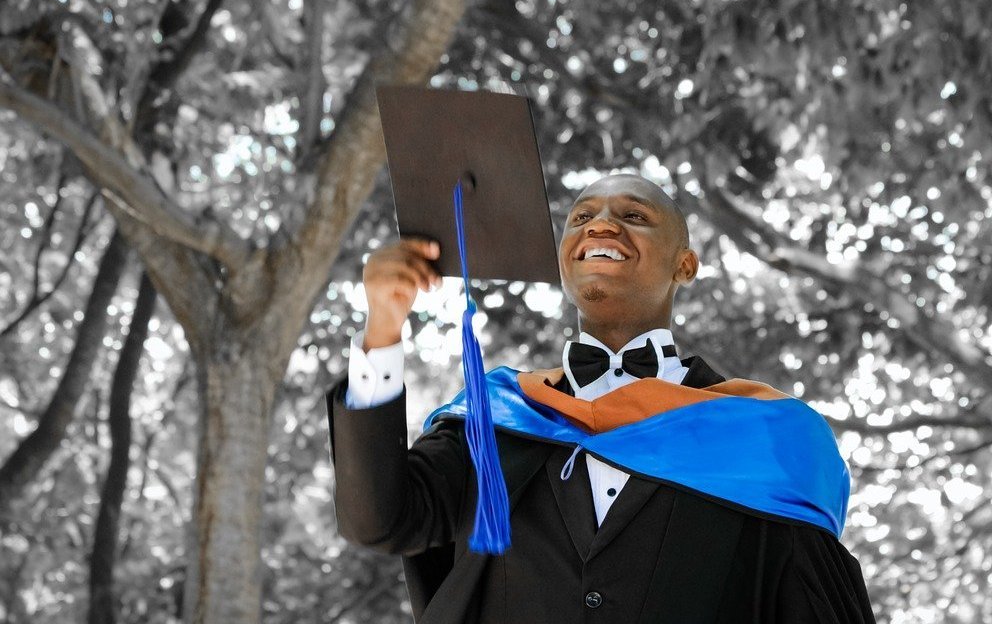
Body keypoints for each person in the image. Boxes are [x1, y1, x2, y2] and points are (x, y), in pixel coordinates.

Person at [325, 172, 877, 623]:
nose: (603, 225)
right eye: (582, 218)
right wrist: (382, 331)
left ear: (684, 265)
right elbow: (379, 518)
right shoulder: (499, 418)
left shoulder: (767, 439)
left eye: (634, 216)